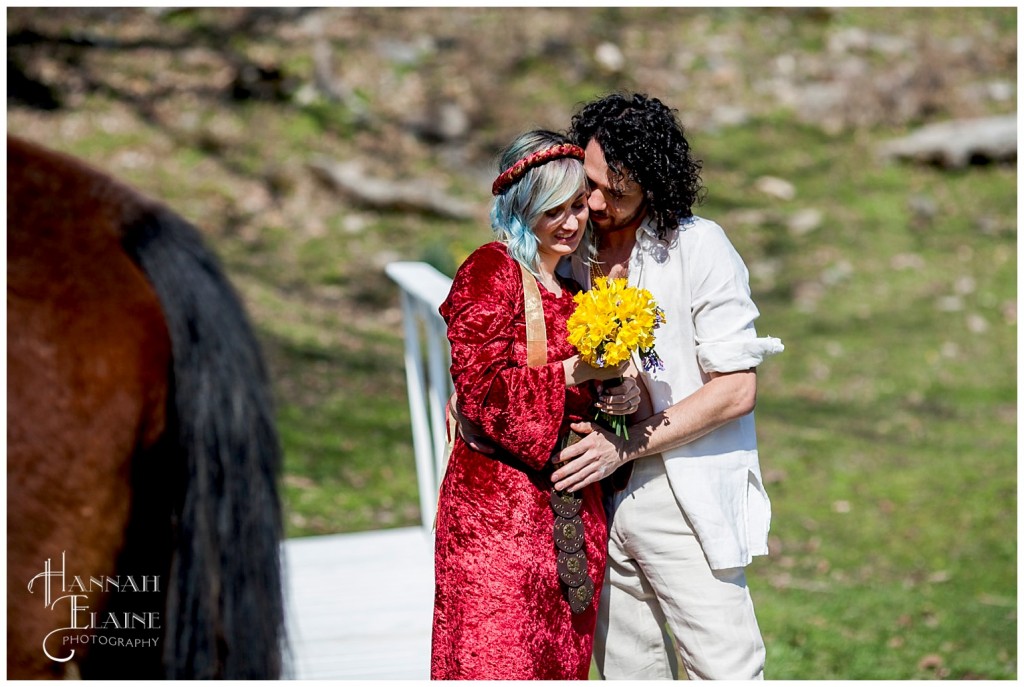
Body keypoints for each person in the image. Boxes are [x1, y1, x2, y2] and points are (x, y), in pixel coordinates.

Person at [550, 92, 785, 680]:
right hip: (598, 500)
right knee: (630, 673)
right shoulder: (574, 249)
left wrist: (625, 443)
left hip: (682, 492)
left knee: (725, 670)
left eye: (617, 191)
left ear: (654, 184)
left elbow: (736, 388)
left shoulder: (698, 246)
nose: (597, 203)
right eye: (590, 185)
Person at [430, 129, 642, 680]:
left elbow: (583, 396)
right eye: (555, 209)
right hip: (496, 520)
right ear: (523, 207)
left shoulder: (576, 290)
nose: (572, 222)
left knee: (560, 663)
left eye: (577, 206)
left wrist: (616, 395)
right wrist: (577, 370)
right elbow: (480, 393)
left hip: (570, 515)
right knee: (496, 660)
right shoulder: (490, 271)